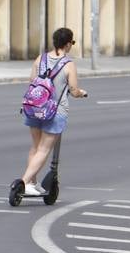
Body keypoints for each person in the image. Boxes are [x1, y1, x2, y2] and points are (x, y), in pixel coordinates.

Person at [17, 27, 87, 198]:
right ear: (68, 43)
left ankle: (32, 183)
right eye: (72, 43)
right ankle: (24, 182)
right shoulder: (68, 64)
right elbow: (74, 89)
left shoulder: (40, 58)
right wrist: (82, 93)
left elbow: (32, 81)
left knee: (35, 147)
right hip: (55, 111)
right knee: (43, 149)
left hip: (34, 108)